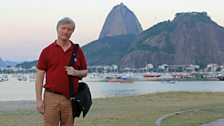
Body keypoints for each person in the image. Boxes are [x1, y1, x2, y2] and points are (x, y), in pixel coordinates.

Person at [35, 17, 88, 126]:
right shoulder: (47, 51)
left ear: (72, 32)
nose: (66, 31)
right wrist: (39, 100)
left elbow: (85, 72)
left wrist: (76, 72)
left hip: (70, 99)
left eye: (69, 29)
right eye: (63, 28)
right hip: (51, 98)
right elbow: (39, 77)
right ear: (57, 29)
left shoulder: (77, 51)